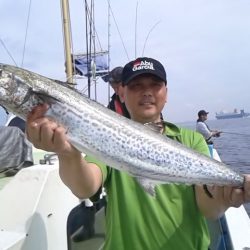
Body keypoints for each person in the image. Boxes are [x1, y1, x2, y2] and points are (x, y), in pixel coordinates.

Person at [26, 57, 250, 250]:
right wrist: (68, 153)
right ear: (122, 94)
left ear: (166, 93)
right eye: (136, 86)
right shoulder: (109, 134)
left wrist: (227, 199)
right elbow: (85, 186)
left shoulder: (191, 140)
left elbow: (208, 208)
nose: (147, 92)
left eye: (155, 85)